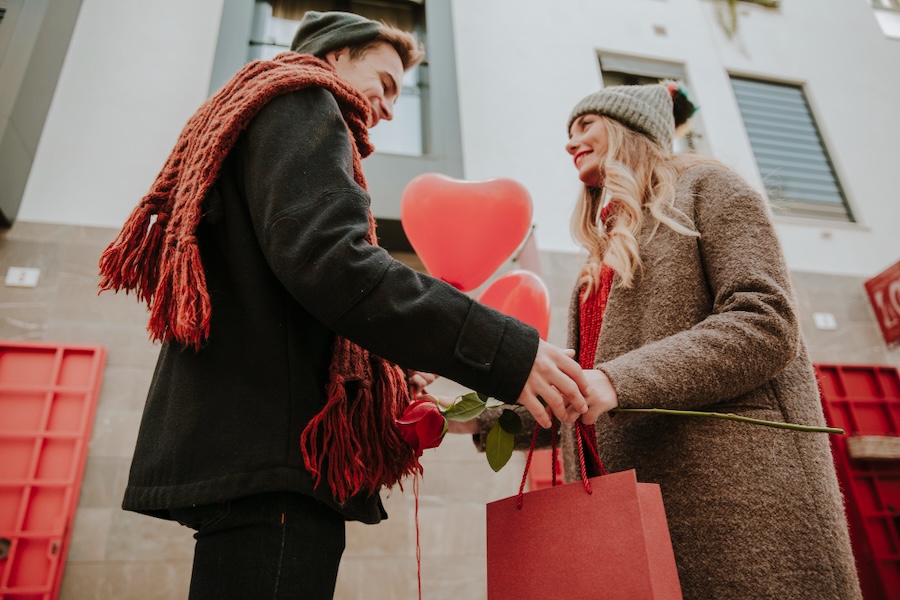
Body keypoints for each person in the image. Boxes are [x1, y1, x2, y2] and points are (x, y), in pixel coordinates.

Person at [98, 11, 590, 599]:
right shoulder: (303, 100)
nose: (387, 108)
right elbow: (335, 265)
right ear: (334, 57)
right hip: (281, 458)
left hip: (260, 450)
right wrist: (509, 351)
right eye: (383, 84)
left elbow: (300, 286)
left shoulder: (263, 112)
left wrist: (392, 366)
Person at [459, 83, 862, 599]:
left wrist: (613, 379)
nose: (570, 143)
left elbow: (765, 321)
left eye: (585, 126)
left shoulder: (709, 186)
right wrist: (468, 417)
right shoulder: (600, 256)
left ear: (630, 128)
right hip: (635, 516)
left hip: (734, 505)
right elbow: (580, 393)